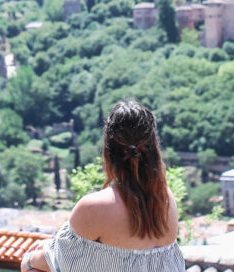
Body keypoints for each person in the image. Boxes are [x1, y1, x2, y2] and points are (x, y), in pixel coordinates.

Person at [21, 100, 184, 272]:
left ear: (108, 152)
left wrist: (29, 260)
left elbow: (59, 260)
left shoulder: (95, 207)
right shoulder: (166, 200)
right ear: (153, 150)